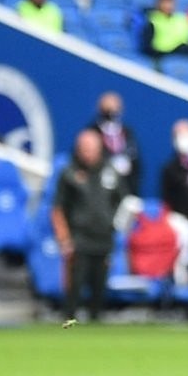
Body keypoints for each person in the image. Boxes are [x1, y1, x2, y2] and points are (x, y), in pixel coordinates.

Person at [51, 127, 124, 322]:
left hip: (104, 240)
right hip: (79, 240)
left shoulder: (110, 171)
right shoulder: (69, 172)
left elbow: (123, 202)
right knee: (74, 289)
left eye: (92, 149)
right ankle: (68, 325)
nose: (88, 153)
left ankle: (96, 326)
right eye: (84, 149)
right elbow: (58, 209)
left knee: (99, 290)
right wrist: (64, 239)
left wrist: (118, 227)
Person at [93, 90, 142, 195]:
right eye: (107, 112)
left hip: (125, 189)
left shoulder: (128, 133)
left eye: (114, 111)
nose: (111, 115)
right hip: (98, 191)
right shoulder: (92, 133)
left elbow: (137, 163)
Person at [145, 0, 188, 64]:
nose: (168, 5)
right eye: (165, 2)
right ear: (158, 3)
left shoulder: (182, 18)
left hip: (182, 52)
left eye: (170, 2)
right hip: (161, 54)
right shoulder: (152, 19)